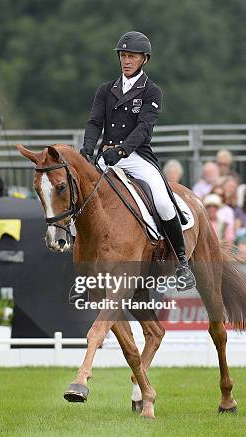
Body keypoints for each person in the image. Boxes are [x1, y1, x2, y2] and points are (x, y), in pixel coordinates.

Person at [80, 31, 195, 291]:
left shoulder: (151, 91)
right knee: (82, 197)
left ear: (144, 59)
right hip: (106, 156)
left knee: (165, 203)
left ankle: (182, 264)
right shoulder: (106, 90)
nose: (126, 60)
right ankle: (83, 262)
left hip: (136, 157)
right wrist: (88, 149)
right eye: (122, 55)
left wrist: (121, 151)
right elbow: (95, 122)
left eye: (131, 56)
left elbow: (144, 128)